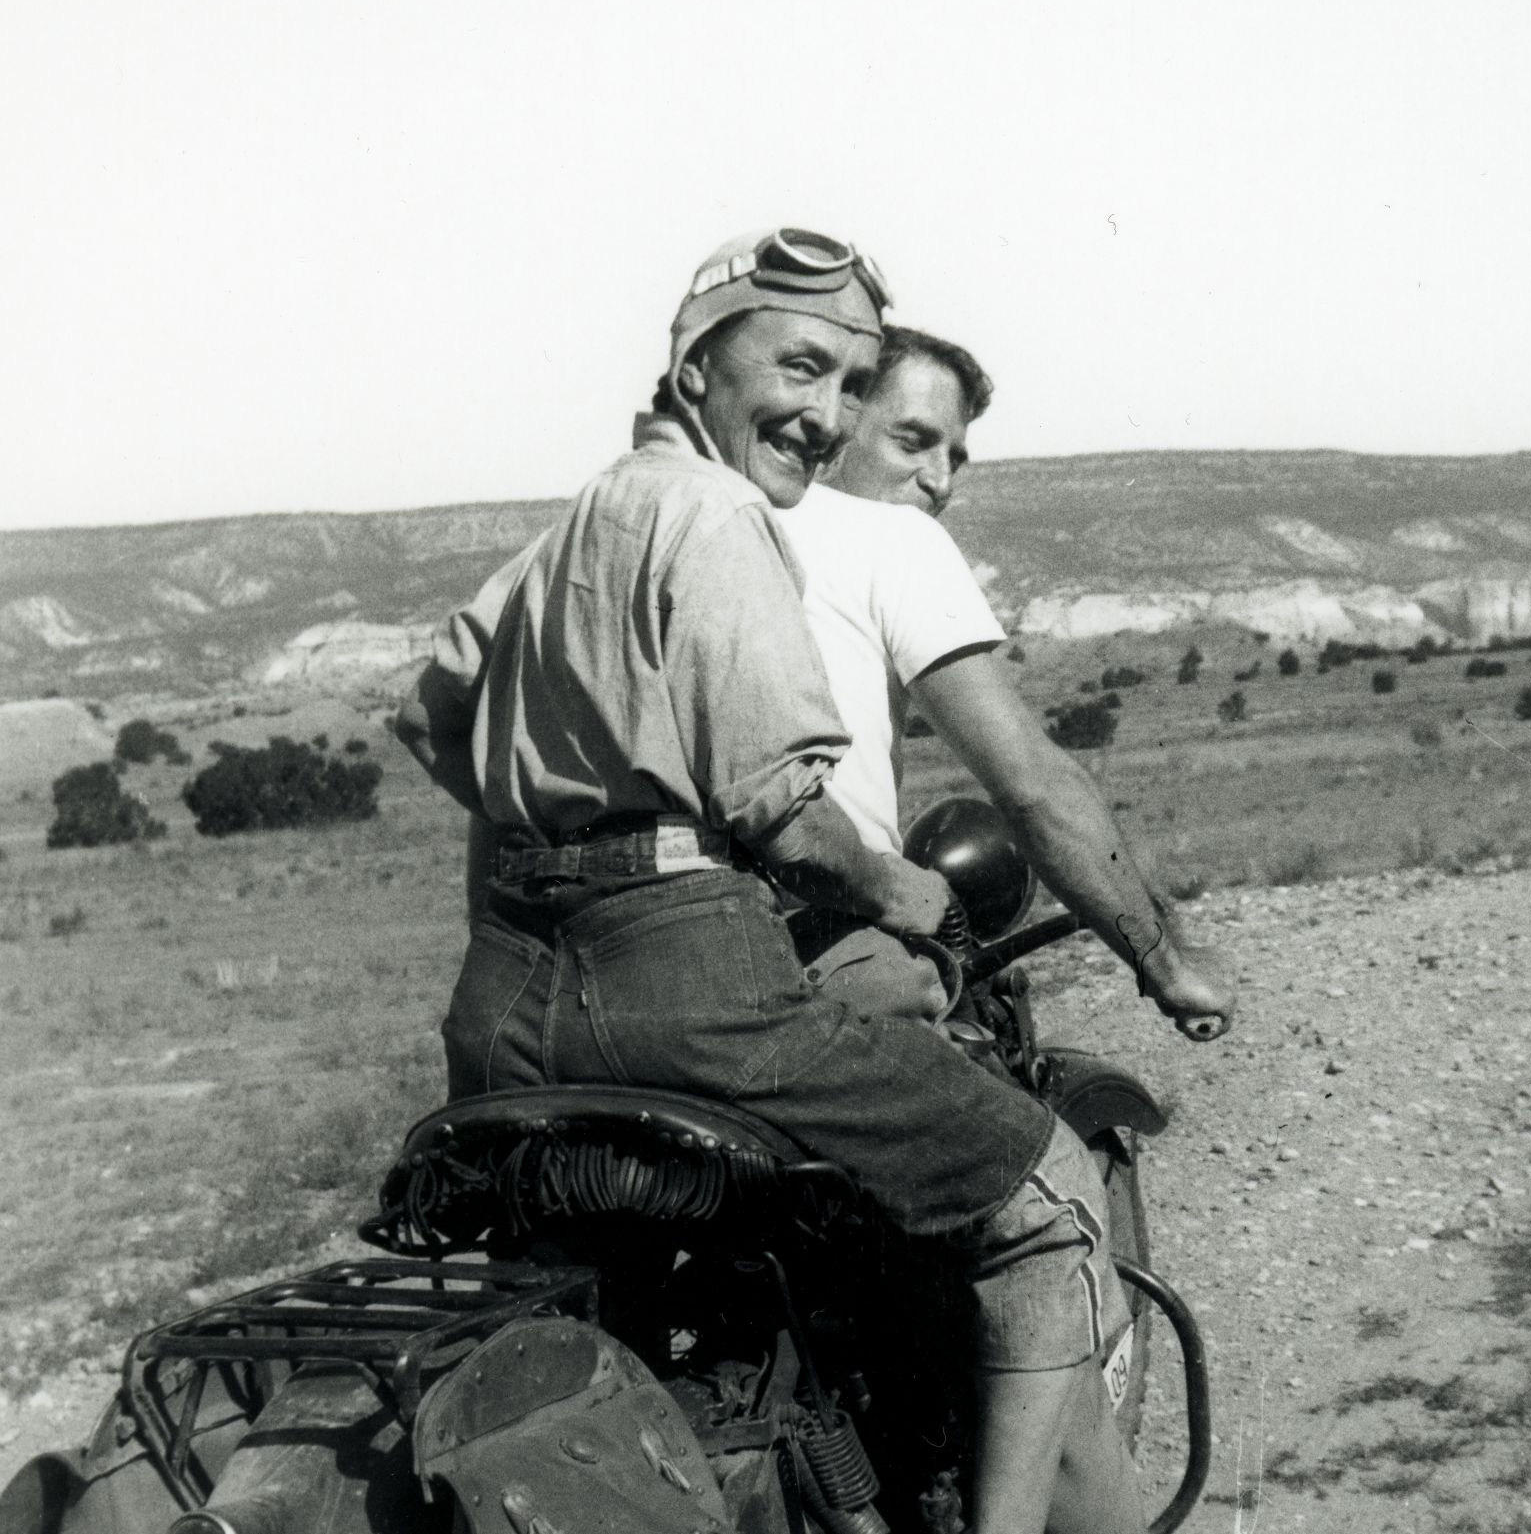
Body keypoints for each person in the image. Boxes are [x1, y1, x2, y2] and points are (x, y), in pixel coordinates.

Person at [395, 228, 1145, 1534]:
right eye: (801, 367)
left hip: (503, 1002)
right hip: (690, 986)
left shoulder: (574, 525)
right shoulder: (719, 516)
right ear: (697, 363)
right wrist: (899, 893)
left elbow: (427, 712)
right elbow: (783, 809)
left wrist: (559, 820)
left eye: (850, 385)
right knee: (1048, 1196)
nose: (827, 414)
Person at [774, 324, 1235, 1043]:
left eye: (953, 455)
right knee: (1012, 1118)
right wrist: (1167, 964)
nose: (940, 480)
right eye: (912, 442)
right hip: (811, 952)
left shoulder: (709, 522)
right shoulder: (892, 537)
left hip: (628, 947)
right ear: (842, 416)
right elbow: (1032, 788)